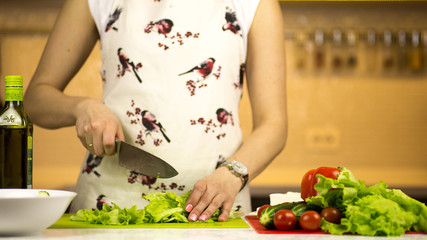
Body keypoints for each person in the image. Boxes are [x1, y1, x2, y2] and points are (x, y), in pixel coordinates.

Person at [24, 0, 287, 222]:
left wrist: (233, 174)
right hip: (111, 208)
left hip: (214, 210)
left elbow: (273, 124)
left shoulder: (253, 3)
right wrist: (83, 107)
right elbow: (36, 99)